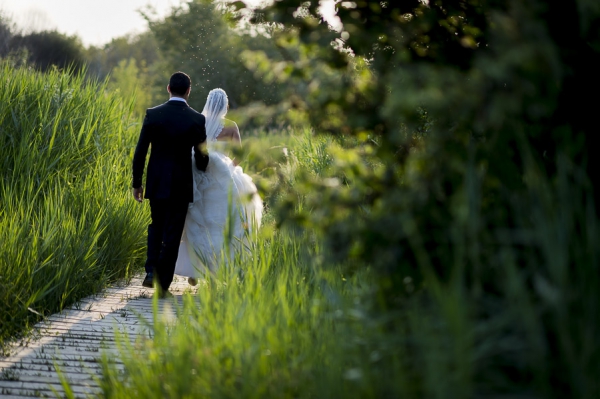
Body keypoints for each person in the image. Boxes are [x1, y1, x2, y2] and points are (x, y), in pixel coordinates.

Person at [131, 71, 209, 297]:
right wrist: (203, 166)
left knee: (156, 225)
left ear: (168, 88)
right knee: (173, 233)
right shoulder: (196, 119)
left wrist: (137, 183)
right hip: (181, 185)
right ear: (188, 91)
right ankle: (162, 283)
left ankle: (150, 272)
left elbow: (140, 151)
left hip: (156, 182)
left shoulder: (154, 115)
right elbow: (202, 155)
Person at [175, 88, 262, 283]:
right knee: (222, 222)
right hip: (223, 177)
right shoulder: (230, 127)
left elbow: (190, 148)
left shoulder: (198, 122)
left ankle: (195, 269)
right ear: (225, 105)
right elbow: (241, 153)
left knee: (198, 221)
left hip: (200, 174)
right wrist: (230, 167)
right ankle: (216, 269)